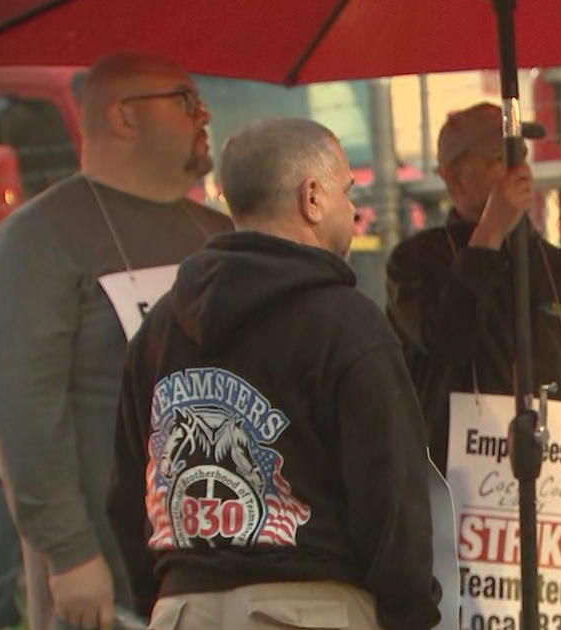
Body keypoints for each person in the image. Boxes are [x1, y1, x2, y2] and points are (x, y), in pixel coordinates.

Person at [106, 118, 441, 630]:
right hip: (313, 607)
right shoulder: (346, 323)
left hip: (182, 609)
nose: (354, 210)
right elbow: (392, 500)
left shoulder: (158, 328)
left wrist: (172, 596)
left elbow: (129, 496)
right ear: (312, 197)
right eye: (347, 191)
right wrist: (411, 616)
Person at [0, 52, 233, 630]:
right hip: (115, 578)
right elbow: (25, 409)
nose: (204, 115)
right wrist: (70, 552)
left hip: (230, 552)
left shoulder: (222, 234)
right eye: (184, 100)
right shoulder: (38, 237)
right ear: (124, 117)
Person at [385, 102, 561, 529]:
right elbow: (447, 339)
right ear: (454, 177)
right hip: (460, 514)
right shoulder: (416, 262)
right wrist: (488, 236)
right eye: (500, 159)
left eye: (522, 157)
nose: (520, 171)